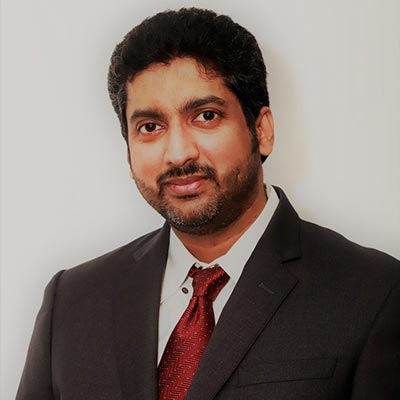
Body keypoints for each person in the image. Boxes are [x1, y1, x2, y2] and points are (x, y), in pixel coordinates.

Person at [17, 7, 400, 400]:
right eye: (150, 127)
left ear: (262, 130)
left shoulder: (375, 294)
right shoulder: (72, 301)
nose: (178, 153)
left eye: (205, 116)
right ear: (128, 153)